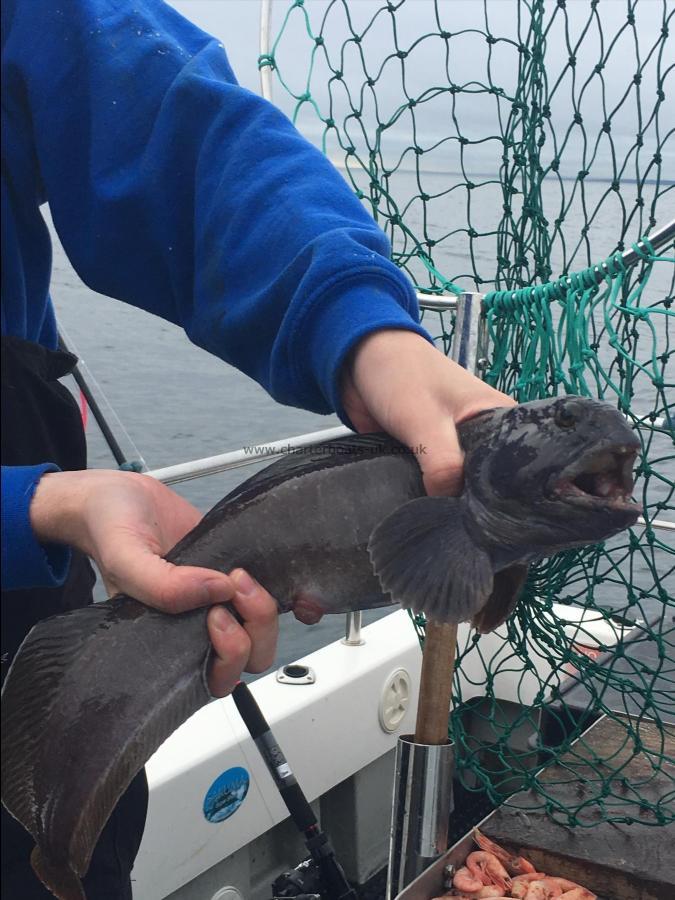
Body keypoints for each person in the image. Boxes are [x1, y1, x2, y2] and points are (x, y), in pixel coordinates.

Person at [1, 0, 514, 896]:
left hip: (26, 571)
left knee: (66, 833)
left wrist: (366, 334)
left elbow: (172, 125)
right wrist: (37, 506)